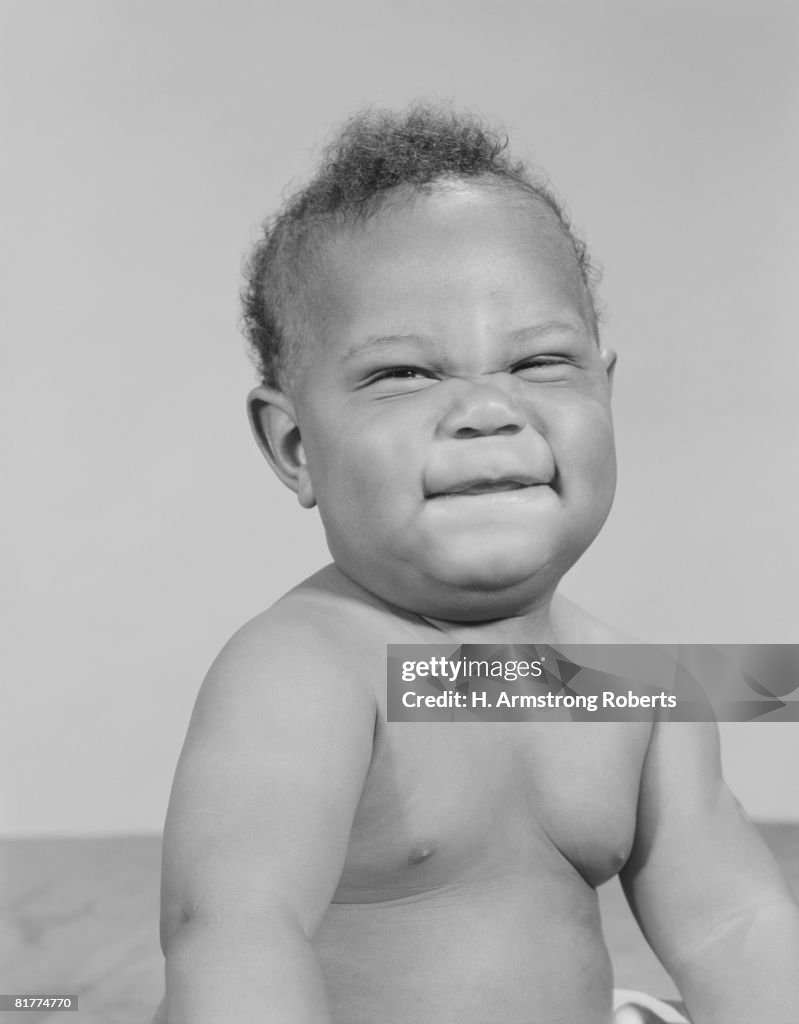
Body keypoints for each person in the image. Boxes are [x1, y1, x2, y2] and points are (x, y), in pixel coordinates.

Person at [154, 104, 799, 1024]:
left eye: (538, 361)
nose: (488, 411)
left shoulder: (636, 692)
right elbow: (230, 927)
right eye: (404, 376)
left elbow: (732, 921)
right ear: (295, 444)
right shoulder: (307, 673)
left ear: (604, 394)